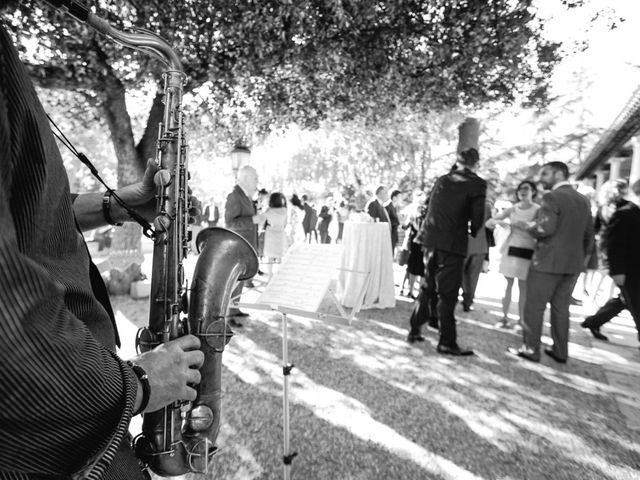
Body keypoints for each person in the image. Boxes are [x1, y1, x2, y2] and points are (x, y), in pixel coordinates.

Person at [0, 16, 204, 479]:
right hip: (56, 449)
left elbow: (30, 210)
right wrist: (142, 383)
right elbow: (9, 327)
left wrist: (116, 206)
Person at [508, 162, 594, 364]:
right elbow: (589, 235)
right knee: (561, 308)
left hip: (547, 262)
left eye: (545, 174)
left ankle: (530, 349)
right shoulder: (583, 200)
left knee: (534, 307)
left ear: (558, 174)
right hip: (573, 264)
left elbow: (544, 229)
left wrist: (528, 226)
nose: (541, 178)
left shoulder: (552, 197)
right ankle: (560, 351)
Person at [407, 149, 487, 355]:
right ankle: (446, 342)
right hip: (452, 243)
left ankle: (415, 329)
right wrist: (474, 230)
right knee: (448, 293)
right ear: (476, 163)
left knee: (427, 287)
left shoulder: (442, 180)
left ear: (458, 161)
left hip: (430, 240)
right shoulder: (477, 183)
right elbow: (477, 218)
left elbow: (431, 207)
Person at [581, 179, 640, 344]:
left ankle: (594, 321)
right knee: (633, 300)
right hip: (623, 264)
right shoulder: (626, 211)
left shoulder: (629, 209)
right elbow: (613, 241)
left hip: (621, 262)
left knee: (625, 299)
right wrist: (617, 269)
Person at [485, 180, 540, 328]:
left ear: (533, 191)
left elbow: (541, 228)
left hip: (528, 249)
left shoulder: (538, 210)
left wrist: (529, 226)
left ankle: (521, 321)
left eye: (526, 188)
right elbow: (489, 222)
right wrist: (500, 223)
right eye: (520, 188)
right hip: (511, 249)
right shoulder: (513, 209)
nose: (523, 191)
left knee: (523, 287)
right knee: (507, 285)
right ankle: (504, 317)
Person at [224, 165, 259, 326]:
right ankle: (226, 318)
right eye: (255, 178)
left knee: (240, 281)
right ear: (245, 178)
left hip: (246, 246)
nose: (257, 181)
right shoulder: (234, 196)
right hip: (238, 246)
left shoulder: (246, 196)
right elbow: (230, 223)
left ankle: (234, 310)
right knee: (233, 282)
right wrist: (253, 220)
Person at [461, 202, 492, 313]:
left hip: (464, 244)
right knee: (473, 276)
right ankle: (468, 300)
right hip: (480, 245)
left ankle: (466, 295)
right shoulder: (487, 206)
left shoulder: (464, 202)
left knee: (461, 273)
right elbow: (490, 228)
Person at [253, 192, 288, 278]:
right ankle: (280, 276)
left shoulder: (269, 211)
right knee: (280, 257)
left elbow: (259, 220)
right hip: (280, 232)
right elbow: (285, 223)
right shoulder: (284, 210)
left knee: (270, 257)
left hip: (271, 233)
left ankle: (270, 276)